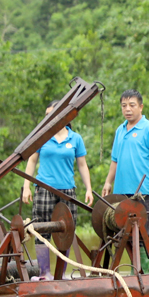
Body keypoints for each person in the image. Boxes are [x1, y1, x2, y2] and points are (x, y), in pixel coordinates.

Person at [22, 99, 94, 280]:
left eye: (52, 115)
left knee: (66, 232)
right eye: (46, 116)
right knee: (41, 230)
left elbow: (83, 165)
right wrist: (26, 186)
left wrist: (88, 189)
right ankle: (44, 273)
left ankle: (61, 274)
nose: (48, 118)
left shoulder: (75, 138)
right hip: (44, 189)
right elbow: (31, 161)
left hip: (67, 191)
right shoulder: (42, 136)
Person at [100, 90, 149, 258]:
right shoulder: (120, 131)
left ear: (141, 107)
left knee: (145, 232)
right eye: (124, 106)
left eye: (132, 105)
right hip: (122, 192)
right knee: (124, 232)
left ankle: (147, 271)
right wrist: (108, 182)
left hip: (143, 191)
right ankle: (132, 271)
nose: (127, 109)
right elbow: (115, 160)